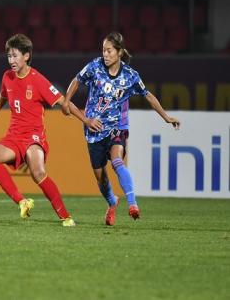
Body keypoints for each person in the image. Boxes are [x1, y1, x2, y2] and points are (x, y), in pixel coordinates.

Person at [62, 32, 180, 226]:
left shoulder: (131, 76)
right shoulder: (95, 66)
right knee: (101, 178)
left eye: (109, 51)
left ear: (119, 52)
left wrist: (166, 117)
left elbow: (148, 95)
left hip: (117, 126)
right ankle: (112, 201)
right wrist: (67, 101)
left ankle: (132, 204)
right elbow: (76, 80)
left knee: (117, 160)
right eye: (103, 50)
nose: (105, 54)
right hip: (94, 129)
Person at [0, 34, 82, 227]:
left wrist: (85, 120)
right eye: (9, 56)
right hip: (14, 135)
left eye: (15, 56)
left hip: (34, 136)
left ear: (26, 56)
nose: (11, 60)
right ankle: (22, 201)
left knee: (37, 173)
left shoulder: (37, 80)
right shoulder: (7, 77)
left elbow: (64, 102)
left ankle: (65, 216)